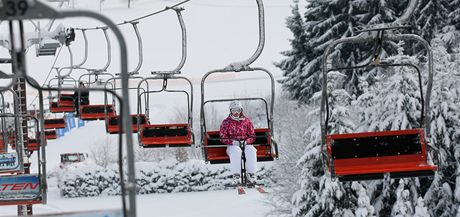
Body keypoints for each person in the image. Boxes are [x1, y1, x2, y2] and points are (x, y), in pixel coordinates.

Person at [219, 101, 257, 185]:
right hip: (232, 146)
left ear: (241, 110)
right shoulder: (226, 122)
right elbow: (222, 136)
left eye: (238, 110)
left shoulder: (246, 121)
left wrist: (247, 141)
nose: (236, 113)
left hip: (245, 144)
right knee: (236, 151)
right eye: (234, 110)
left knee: (251, 150)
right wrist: (233, 142)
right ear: (230, 111)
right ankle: (236, 175)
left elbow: (252, 135)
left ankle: (252, 174)